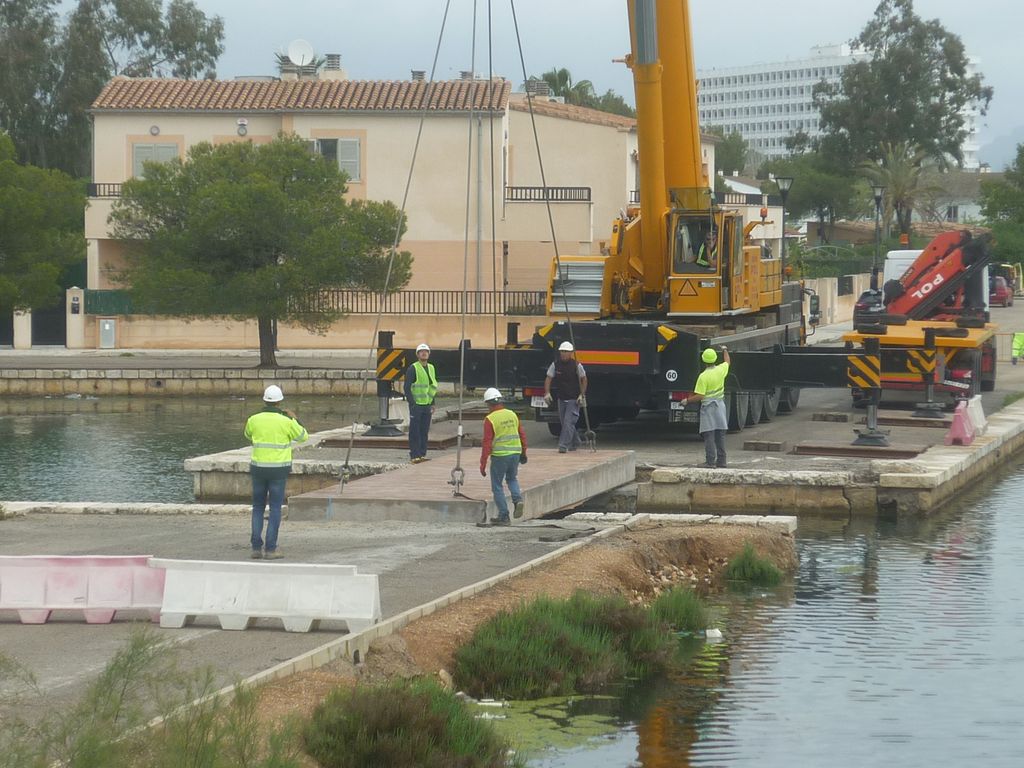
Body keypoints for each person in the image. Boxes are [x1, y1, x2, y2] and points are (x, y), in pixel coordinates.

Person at [244, 385, 308, 559]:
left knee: (257, 507)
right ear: (280, 402)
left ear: (264, 400)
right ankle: (271, 549)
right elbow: (303, 436)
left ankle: (256, 548)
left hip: (258, 468)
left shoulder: (253, 419)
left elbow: (248, 435)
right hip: (279, 470)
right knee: (275, 508)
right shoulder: (286, 421)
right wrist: (295, 419)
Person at [479, 387, 527, 526]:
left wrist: (483, 464)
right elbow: (522, 434)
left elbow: (487, 443)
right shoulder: (512, 414)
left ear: (488, 403)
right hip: (515, 453)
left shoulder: (490, 419)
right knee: (512, 479)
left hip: (500, 456)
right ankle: (517, 500)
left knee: (497, 486)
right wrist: (524, 452)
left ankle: (504, 516)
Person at [681, 346, 731, 468]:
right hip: (720, 406)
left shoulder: (703, 377)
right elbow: (727, 362)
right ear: (714, 359)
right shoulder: (720, 370)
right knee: (720, 433)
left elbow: (700, 396)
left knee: (709, 434)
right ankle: (722, 461)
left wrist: (687, 401)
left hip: (708, 408)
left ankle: (710, 462)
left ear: (704, 361)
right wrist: (724, 350)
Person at [544, 341, 588, 453]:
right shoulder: (555, 365)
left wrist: (581, 395)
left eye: (566, 352)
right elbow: (548, 378)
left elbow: (584, 379)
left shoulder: (577, 365)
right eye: (562, 351)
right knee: (564, 422)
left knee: (568, 422)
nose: (563, 354)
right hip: (561, 398)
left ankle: (563, 445)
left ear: (571, 353)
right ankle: (576, 441)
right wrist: (547, 392)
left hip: (573, 399)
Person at [404, 342, 437, 463]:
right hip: (416, 405)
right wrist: (412, 403)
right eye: (421, 352)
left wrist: (433, 402)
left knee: (424, 430)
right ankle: (414, 455)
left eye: (426, 351)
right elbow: (407, 387)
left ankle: (422, 454)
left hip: (427, 405)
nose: (424, 353)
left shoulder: (431, 368)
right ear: (418, 355)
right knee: (415, 431)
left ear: (429, 354)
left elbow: (431, 387)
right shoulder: (413, 368)